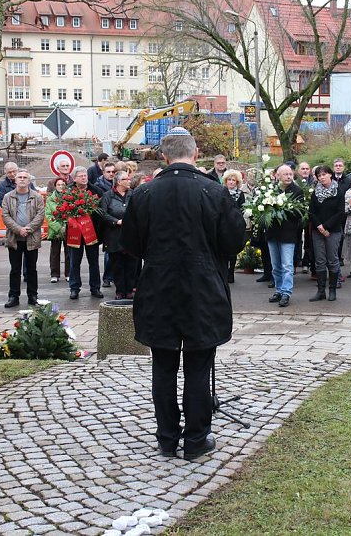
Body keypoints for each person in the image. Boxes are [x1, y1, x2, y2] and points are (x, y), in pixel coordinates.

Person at [120, 127, 245, 460]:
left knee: (163, 368)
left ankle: (166, 438)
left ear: (164, 156)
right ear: (195, 152)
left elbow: (130, 244)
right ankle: (195, 440)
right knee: (198, 368)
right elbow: (234, 242)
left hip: (159, 289)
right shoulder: (213, 192)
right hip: (202, 291)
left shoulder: (144, 195)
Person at [0, 169, 45, 308]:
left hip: (32, 238)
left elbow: (40, 215)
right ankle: (14, 296)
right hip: (14, 238)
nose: (22, 179)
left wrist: (28, 229)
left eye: (25, 177)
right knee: (15, 269)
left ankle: (33, 296)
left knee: (32, 269)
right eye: (19, 177)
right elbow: (5, 216)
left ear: (29, 180)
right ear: (15, 180)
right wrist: (18, 229)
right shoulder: (8, 197)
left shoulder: (37, 197)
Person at [266, 164, 305, 307]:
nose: (289, 176)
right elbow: (264, 209)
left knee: (287, 265)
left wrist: (283, 208)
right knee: (276, 266)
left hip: (288, 234)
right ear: (278, 176)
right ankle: (279, 290)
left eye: (290, 174)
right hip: (273, 234)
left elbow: (298, 213)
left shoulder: (297, 191)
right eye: (285, 174)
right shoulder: (270, 190)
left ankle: (287, 292)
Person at [308, 165, 344, 302]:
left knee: (333, 260)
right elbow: (311, 212)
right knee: (320, 261)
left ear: (330, 174)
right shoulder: (315, 192)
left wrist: (326, 226)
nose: (321, 177)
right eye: (319, 175)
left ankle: (332, 290)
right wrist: (319, 226)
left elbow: (340, 213)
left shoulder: (338, 191)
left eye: (324, 174)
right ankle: (321, 291)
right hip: (318, 231)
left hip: (332, 231)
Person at [100, 170, 138, 299]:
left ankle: (129, 290)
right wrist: (116, 221)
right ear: (119, 182)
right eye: (126, 179)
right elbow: (103, 213)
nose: (129, 181)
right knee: (117, 264)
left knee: (131, 263)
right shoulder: (108, 196)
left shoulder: (134, 194)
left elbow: (140, 210)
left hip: (131, 234)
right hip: (114, 235)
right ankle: (120, 290)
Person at [67, 167, 103, 300]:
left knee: (93, 262)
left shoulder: (96, 191)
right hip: (74, 232)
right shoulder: (68, 191)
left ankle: (95, 288)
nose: (84, 177)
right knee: (74, 262)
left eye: (85, 175)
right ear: (74, 178)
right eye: (81, 176)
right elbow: (63, 210)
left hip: (92, 232)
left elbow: (101, 211)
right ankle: (74, 288)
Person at [45, 178, 70, 284]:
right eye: (58, 184)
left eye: (62, 184)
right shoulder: (50, 199)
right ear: (55, 186)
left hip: (68, 228)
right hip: (55, 230)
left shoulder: (69, 198)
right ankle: (54, 274)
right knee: (55, 252)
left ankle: (68, 273)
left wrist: (66, 225)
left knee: (69, 252)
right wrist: (59, 227)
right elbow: (48, 214)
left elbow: (72, 212)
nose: (60, 186)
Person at [222, 169, 246, 283]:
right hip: (224, 225)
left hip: (235, 225)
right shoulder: (221, 192)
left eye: (234, 180)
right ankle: (224, 272)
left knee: (233, 251)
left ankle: (231, 273)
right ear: (225, 181)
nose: (231, 182)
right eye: (229, 180)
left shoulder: (240, 194)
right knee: (224, 250)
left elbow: (242, 209)